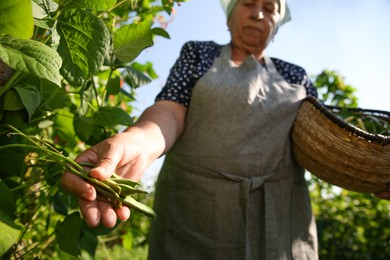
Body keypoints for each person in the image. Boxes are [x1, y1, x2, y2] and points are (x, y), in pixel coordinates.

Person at [61, 0, 390, 259]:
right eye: (248, 4)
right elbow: (170, 111)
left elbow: (323, 142)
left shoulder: (296, 75)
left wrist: (371, 174)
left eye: (270, 8)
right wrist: (137, 142)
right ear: (231, 14)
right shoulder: (199, 54)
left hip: (281, 224)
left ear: (277, 24)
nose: (259, 14)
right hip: (198, 215)